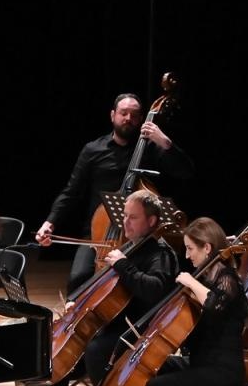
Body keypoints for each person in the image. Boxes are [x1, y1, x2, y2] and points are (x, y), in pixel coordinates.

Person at [104, 217, 245, 386]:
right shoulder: (204, 275)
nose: (187, 254)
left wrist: (191, 283)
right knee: (146, 371)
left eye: (191, 248)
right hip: (200, 362)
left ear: (207, 248)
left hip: (222, 369)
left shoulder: (228, 279)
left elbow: (215, 305)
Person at [40, 189, 177, 386]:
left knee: (96, 349)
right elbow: (102, 286)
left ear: (152, 221)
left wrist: (123, 264)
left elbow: (154, 290)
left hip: (137, 328)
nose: (125, 222)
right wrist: (77, 301)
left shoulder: (161, 253)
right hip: (112, 322)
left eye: (132, 217)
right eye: (124, 216)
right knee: (55, 346)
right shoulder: (130, 247)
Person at [35, 92, 194, 295]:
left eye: (135, 115)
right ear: (113, 115)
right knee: (77, 280)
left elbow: (186, 172)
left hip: (140, 239)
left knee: (132, 287)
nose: (128, 118)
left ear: (142, 119)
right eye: (123, 113)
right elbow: (71, 191)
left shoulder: (151, 149)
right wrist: (50, 222)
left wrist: (165, 142)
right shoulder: (93, 150)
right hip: (97, 234)